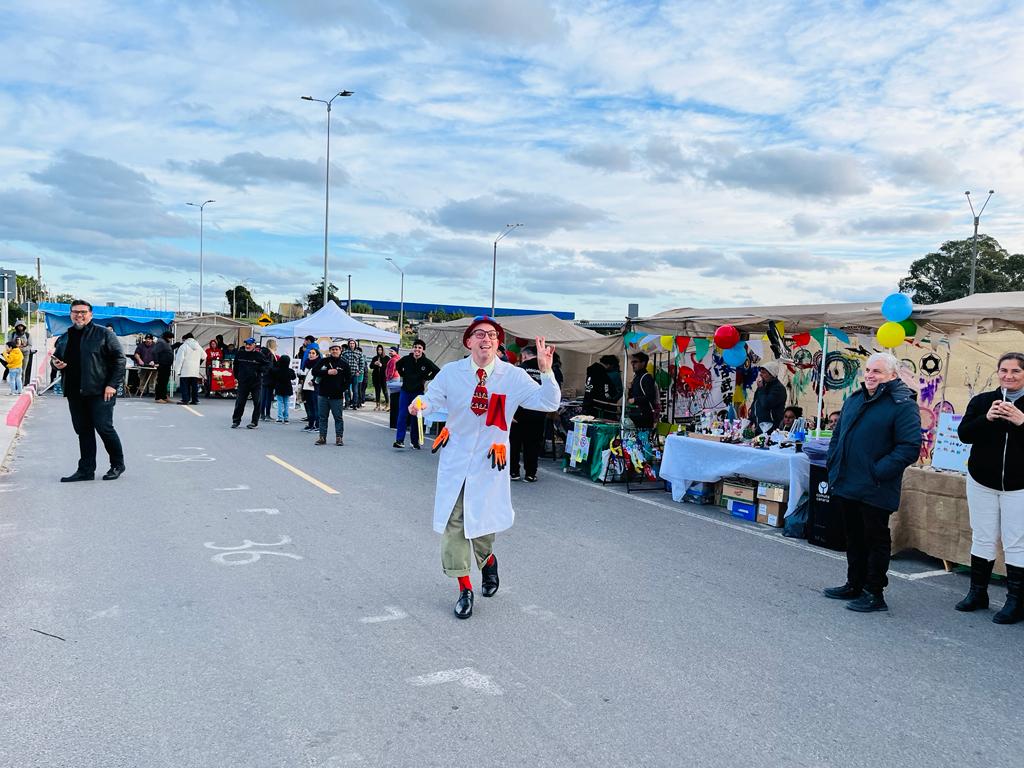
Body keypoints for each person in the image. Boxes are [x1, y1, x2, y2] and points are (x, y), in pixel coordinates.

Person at [408, 316, 561, 619]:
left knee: (481, 526)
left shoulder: (513, 376)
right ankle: (464, 588)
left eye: (492, 335)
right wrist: (420, 404)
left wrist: (546, 371)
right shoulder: (452, 373)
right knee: (455, 523)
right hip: (456, 459)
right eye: (479, 334)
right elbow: (432, 398)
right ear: (468, 342)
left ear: (497, 343)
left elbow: (548, 403)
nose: (486, 339)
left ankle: (488, 562)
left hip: (490, 462)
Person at [823, 352, 922, 612]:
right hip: (848, 481)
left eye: (877, 371)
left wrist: (877, 471)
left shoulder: (901, 403)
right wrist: (833, 461)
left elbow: (909, 447)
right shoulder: (855, 399)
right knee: (853, 536)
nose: (870, 375)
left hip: (876, 485)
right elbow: (838, 435)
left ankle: (874, 592)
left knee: (874, 538)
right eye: (868, 370)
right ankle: (853, 584)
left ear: (892, 375)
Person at [954, 351, 1024, 624]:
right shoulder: (983, 400)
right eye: (1004, 371)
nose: (1009, 376)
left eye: (1015, 371)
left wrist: (1021, 421)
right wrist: (987, 418)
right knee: (982, 536)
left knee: (1015, 541)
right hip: (982, 481)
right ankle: (977, 592)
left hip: (1019, 486)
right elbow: (964, 434)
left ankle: (1016, 601)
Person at [51, 300, 126, 481]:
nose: (79, 315)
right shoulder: (65, 337)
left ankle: (117, 464)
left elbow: (119, 360)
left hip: (100, 391)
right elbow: (58, 358)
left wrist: (112, 385)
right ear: (70, 314)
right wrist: (57, 364)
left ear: (91, 314)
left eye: (83, 312)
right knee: (83, 431)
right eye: (76, 312)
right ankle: (86, 470)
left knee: (104, 428)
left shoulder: (103, 334)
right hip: (74, 391)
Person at [394, 339, 439, 449]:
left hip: (418, 393)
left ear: (423, 350)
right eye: (415, 347)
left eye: (419, 348)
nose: (417, 349)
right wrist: (403, 374)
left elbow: (437, 371)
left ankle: (415, 441)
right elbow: (398, 365)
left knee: (416, 417)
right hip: (405, 391)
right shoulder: (406, 359)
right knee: (402, 415)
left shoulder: (426, 362)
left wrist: (426, 377)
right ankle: (399, 440)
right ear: (412, 348)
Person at [509, 345, 545, 482]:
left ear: (524, 355)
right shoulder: (547, 369)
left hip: (518, 413)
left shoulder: (519, 370)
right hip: (539, 413)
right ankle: (531, 473)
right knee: (533, 444)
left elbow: (510, 392)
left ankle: (514, 472)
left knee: (514, 444)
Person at [313, 343, 352, 446]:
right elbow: (314, 371)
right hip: (323, 394)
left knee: (338, 418)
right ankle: (322, 437)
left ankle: (339, 438)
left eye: (336, 349)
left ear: (340, 351)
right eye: (332, 349)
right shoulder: (324, 361)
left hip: (337, 396)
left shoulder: (344, 364)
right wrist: (327, 372)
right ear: (330, 351)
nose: (335, 351)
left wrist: (342, 389)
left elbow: (349, 380)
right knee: (322, 417)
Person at [231, 337, 269, 429]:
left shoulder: (259, 355)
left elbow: (267, 364)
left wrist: (260, 371)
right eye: (246, 344)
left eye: (250, 344)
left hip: (256, 383)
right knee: (240, 402)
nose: (247, 346)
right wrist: (236, 377)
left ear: (254, 345)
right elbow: (235, 366)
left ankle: (254, 422)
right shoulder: (240, 354)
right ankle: (236, 421)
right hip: (243, 382)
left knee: (257, 402)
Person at [750, 361, 787, 434]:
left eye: (764, 372)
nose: (761, 375)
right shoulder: (763, 386)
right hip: (758, 426)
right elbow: (756, 402)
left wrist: (761, 389)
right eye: (761, 372)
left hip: (771, 428)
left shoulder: (778, 388)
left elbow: (766, 404)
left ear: (772, 374)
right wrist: (751, 418)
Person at [627, 351, 658, 429]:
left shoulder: (646, 377)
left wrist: (635, 399)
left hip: (644, 415)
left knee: (643, 438)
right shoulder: (636, 377)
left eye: (635, 362)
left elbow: (650, 396)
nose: (633, 365)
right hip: (635, 413)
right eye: (632, 362)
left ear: (643, 363)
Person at [173, 332, 206, 405]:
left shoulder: (183, 346)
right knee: (194, 386)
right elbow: (204, 356)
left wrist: (177, 370)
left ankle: (185, 400)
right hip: (195, 370)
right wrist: (198, 363)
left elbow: (179, 359)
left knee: (185, 386)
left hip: (185, 370)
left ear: (186, 339)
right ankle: (195, 400)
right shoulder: (198, 346)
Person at [269, 355, 296, 423]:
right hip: (288, 387)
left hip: (279, 387)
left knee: (280, 403)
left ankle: (280, 417)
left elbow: (271, 372)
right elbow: (294, 377)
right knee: (286, 403)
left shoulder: (277, 370)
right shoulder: (290, 371)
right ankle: (286, 417)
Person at [341, 339, 365, 409]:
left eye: (353, 343)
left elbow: (362, 364)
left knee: (355, 390)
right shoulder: (344, 353)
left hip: (355, 374)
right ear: (348, 344)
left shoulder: (359, 353)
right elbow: (342, 363)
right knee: (346, 390)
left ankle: (355, 404)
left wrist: (359, 372)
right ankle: (347, 404)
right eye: (350, 343)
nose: (351, 344)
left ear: (355, 344)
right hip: (347, 374)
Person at [301, 348, 321, 432]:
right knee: (309, 406)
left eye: (313, 353)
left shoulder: (319, 363)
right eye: (309, 353)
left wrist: (314, 382)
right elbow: (304, 374)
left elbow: (320, 375)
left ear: (317, 355)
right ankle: (310, 424)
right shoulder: (306, 363)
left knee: (315, 406)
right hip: (306, 387)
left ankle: (318, 425)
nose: (311, 354)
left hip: (314, 388)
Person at [152, 331, 174, 403]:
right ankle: (158, 397)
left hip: (166, 365)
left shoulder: (165, 342)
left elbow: (166, 350)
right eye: (170, 338)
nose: (170, 340)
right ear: (167, 337)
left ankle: (164, 396)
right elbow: (155, 352)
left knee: (165, 381)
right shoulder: (161, 342)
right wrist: (156, 362)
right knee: (161, 381)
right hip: (162, 364)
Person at [260, 338, 279, 420]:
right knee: (268, 397)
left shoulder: (263, 352)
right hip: (269, 377)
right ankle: (267, 414)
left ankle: (262, 414)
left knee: (263, 397)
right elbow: (271, 366)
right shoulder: (271, 354)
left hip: (263, 377)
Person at [370, 344, 389, 410]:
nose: (379, 351)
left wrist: (381, 365)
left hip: (383, 377)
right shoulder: (375, 358)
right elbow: (370, 366)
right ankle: (377, 405)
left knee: (385, 391)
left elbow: (387, 367)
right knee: (377, 391)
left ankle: (387, 404)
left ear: (383, 350)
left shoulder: (387, 358)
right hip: (376, 377)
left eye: (381, 350)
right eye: (378, 350)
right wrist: (374, 363)